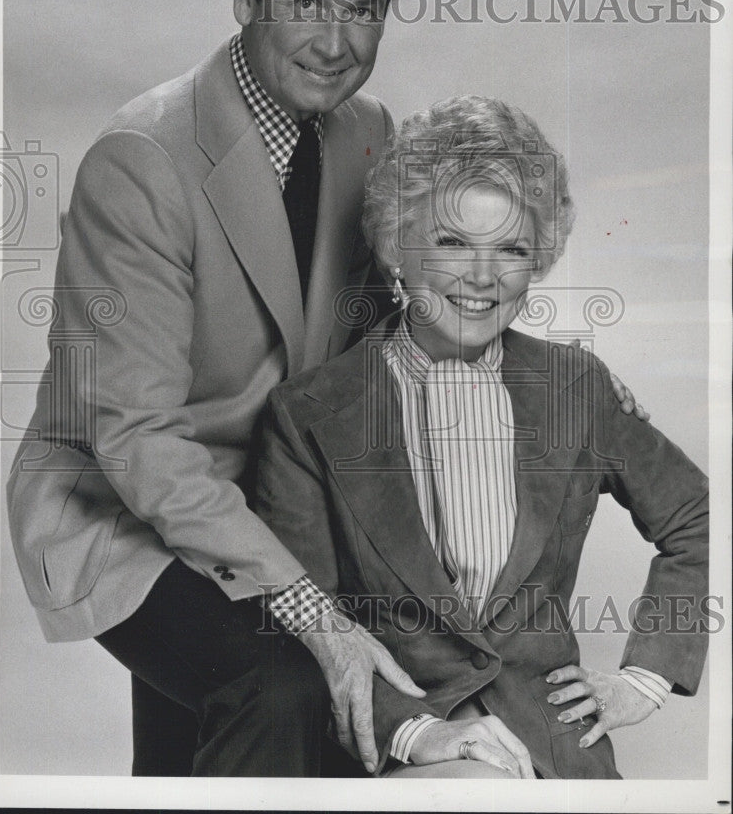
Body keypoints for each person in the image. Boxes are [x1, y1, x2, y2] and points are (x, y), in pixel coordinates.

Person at [6, 0, 427, 778]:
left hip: (267, 494)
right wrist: (317, 611)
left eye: (364, 8)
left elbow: (370, 329)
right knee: (278, 685)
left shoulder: (367, 133)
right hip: (119, 504)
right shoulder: (142, 160)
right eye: (306, 1)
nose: (336, 40)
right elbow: (137, 438)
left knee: (312, 701)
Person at [254, 94, 709, 779]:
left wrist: (646, 678)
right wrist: (413, 734)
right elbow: (303, 624)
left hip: (558, 757)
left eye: (511, 249)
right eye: (452, 242)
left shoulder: (576, 388)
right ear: (398, 249)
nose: (483, 277)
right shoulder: (308, 414)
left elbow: (699, 518)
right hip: (401, 748)